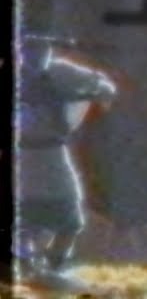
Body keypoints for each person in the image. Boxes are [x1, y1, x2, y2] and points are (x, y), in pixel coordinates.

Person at [15, 38, 118, 290]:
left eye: (41, 47)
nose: (35, 54)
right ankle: (26, 265)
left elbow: (102, 86)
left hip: (52, 153)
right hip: (20, 157)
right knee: (23, 218)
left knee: (70, 218)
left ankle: (55, 264)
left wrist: (100, 92)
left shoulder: (62, 73)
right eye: (30, 47)